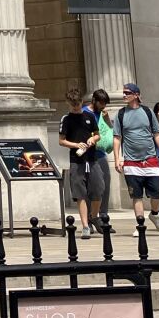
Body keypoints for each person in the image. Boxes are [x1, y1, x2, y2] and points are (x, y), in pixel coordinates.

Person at [112, 82, 159, 235]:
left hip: (151, 159)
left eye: (127, 93)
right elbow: (117, 138)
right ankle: (140, 225)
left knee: (158, 192)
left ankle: (154, 214)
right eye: (124, 92)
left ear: (136, 95)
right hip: (131, 161)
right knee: (136, 195)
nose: (124, 95)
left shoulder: (147, 112)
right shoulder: (120, 114)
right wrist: (117, 158)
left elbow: (157, 134)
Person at [58, 87, 104, 239]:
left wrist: (92, 139)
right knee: (80, 194)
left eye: (78, 104)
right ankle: (85, 225)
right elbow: (61, 141)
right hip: (76, 160)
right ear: (68, 103)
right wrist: (76, 145)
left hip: (92, 158)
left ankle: (93, 216)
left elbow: (97, 135)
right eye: (73, 105)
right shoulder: (66, 119)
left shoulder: (89, 116)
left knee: (98, 189)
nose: (76, 107)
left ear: (81, 102)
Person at [84, 88, 114, 230]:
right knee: (91, 188)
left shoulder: (102, 114)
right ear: (94, 100)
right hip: (88, 155)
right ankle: (89, 219)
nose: (103, 106)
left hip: (101, 154)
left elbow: (110, 129)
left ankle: (103, 217)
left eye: (105, 104)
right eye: (101, 103)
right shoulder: (84, 112)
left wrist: (107, 119)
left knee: (104, 186)